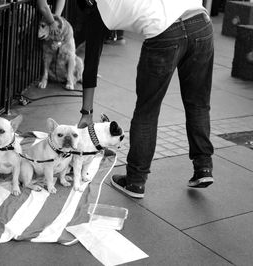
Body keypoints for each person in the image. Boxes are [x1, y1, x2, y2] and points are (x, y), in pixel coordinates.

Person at [77, 0, 215, 198]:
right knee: (198, 103)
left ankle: (135, 181)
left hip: (164, 32)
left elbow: (90, 67)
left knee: (147, 111)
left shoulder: (99, 9)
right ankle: (203, 167)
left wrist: (86, 113)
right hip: (200, 22)